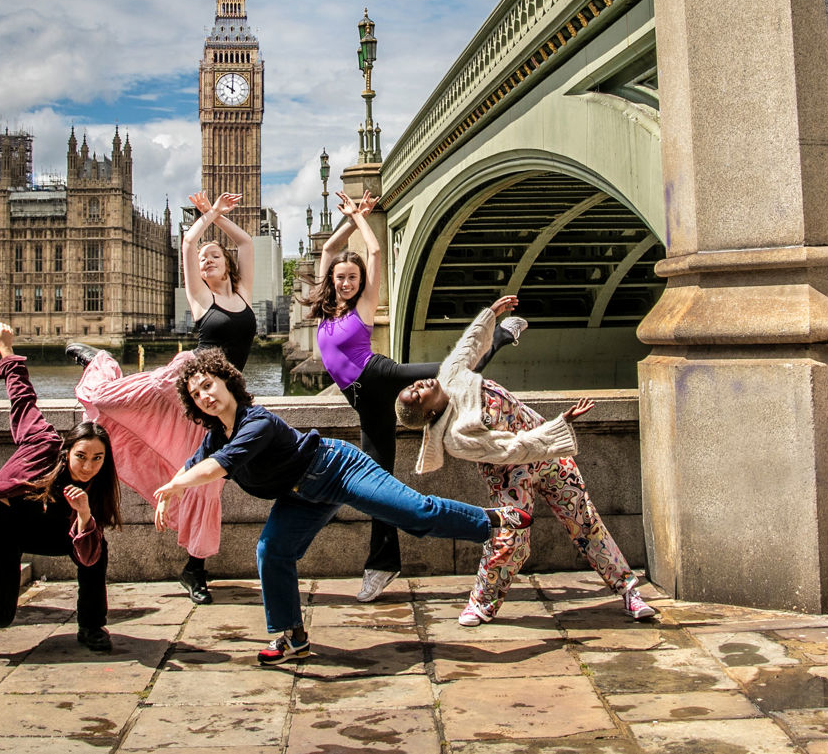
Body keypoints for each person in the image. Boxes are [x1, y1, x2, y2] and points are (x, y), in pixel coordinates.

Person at [152, 351, 531, 667]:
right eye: (196, 393)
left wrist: (175, 486)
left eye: (208, 384)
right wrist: (173, 489)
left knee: (415, 515)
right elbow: (195, 464)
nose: (204, 395)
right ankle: (292, 637)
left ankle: (494, 519)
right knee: (272, 551)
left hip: (337, 467)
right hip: (301, 495)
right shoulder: (217, 435)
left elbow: (219, 466)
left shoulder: (257, 421)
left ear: (226, 381)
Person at [395, 295, 657, 627]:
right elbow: (512, 450)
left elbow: (469, 347)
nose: (419, 384)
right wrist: (559, 425)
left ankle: (629, 591)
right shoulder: (456, 436)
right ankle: (482, 603)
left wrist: (491, 314)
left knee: (586, 523)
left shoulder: (451, 376)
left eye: (414, 385)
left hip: (548, 456)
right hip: (511, 475)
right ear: (428, 413)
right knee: (510, 539)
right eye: (416, 394)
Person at [0, 328, 122, 652]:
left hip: (52, 535)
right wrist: (6, 351)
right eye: (81, 456)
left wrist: (85, 515)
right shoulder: (42, 444)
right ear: (66, 451)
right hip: (2, 528)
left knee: (97, 550)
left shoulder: (97, 487)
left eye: (98, 459)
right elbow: (23, 399)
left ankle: (92, 626)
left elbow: (86, 552)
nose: (88, 466)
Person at [306, 190, 437, 602]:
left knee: (448, 370)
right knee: (378, 484)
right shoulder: (329, 309)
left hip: (377, 376)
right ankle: (385, 564)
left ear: (362, 283)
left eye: (352, 278)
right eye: (340, 277)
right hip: (365, 403)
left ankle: (497, 339)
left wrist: (364, 222)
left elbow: (376, 250)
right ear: (331, 279)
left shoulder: (362, 307)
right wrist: (351, 216)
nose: (346, 282)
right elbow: (328, 247)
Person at [68, 341, 226, 605]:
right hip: (193, 377)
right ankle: (100, 365)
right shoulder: (204, 297)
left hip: (224, 389)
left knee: (206, 486)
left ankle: (195, 570)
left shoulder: (242, 300)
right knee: (104, 399)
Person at [182, 190, 256, 369]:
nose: (208, 260)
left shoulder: (242, 292)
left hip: (229, 385)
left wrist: (215, 215)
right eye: (202, 259)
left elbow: (245, 242)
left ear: (228, 264)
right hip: (200, 380)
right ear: (199, 271)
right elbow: (189, 243)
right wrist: (213, 211)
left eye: (215, 256)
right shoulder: (201, 296)